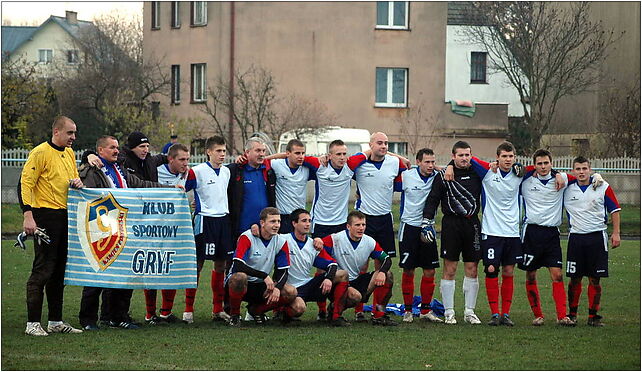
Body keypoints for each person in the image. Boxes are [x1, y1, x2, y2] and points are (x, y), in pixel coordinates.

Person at [78, 135, 172, 330]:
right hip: (100, 231)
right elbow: (89, 201)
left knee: (123, 274)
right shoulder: (91, 171)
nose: (116, 151)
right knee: (96, 276)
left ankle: (118, 316)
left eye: (117, 147)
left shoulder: (119, 170)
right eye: (111, 147)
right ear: (100, 151)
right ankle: (88, 319)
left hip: (122, 230)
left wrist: (169, 190)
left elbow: (141, 185)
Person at [20, 115, 84, 336]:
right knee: (43, 269)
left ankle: (55, 321)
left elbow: (72, 180)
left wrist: (78, 182)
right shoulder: (39, 153)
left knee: (59, 271)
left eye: (74, 133)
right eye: (70, 133)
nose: (73, 137)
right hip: (45, 216)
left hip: (64, 216)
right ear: (56, 131)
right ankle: (32, 324)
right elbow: (25, 184)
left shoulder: (68, 154)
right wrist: (28, 215)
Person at [422, 140, 482, 325]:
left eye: (467, 155)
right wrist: (426, 222)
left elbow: (497, 166)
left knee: (472, 268)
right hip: (451, 225)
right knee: (450, 268)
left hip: (472, 224)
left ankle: (469, 311)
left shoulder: (477, 172)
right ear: (453, 156)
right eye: (461, 155)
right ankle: (449, 312)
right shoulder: (443, 176)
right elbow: (432, 200)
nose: (465, 158)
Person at [519, 149, 578, 326]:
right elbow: (514, 170)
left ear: (551, 163)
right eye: (539, 163)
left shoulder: (562, 179)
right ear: (534, 165)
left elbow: (581, 176)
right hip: (531, 233)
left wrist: (559, 174)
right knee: (530, 275)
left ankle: (562, 316)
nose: (543, 167)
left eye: (546, 163)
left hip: (552, 234)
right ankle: (538, 315)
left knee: (557, 275)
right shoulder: (525, 181)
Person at [564, 156, 621, 327]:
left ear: (590, 169)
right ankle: (572, 315)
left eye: (584, 168)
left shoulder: (603, 186)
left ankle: (593, 316)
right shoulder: (567, 189)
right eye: (578, 169)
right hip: (575, 237)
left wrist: (616, 233)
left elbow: (615, 210)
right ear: (573, 171)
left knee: (595, 278)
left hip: (597, 237)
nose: (581, 172)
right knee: (575, 278)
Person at [181, 136, 233, 323]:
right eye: (218, 151)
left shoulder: (227, 171)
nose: (222, 154)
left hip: (223, 221)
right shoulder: (197, 171)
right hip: (205, 221)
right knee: (198, 265)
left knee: (221, 265)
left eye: (224, 151)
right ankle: (188, 310)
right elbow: (182, 191)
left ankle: (217, 310)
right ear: (208, 152)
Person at [138, 143, 190, 325]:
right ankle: (149, 314)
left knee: (171, 268)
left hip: (173, 231)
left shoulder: (187, 174)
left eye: (187, 159)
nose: (185, 163)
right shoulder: (156, 171)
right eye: (182, 159)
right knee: (151, 268)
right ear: (171, 159)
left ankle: (166, 313)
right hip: (152, 230)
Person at [315, 211, 397, 326]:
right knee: (355, 296)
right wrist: (317, 240)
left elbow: (387, 259)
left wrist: (382, 272)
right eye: (357, 225)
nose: (361, 228)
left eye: (363, 225)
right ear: (348, 226)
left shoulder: (369, 241)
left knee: (388, 275)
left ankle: (380, 314)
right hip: (339, 282)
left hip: (356, 280)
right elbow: (318, 251)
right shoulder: (336, 239)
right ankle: (334, 312)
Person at [226, 207, 302, 326]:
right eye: (272, 221)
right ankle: (234, 314)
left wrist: (277, 288)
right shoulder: (247, 237)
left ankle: (256, 311)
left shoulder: (281, 241)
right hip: (242, 284)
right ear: (262, 223)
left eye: (278, 221)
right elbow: (238, 265)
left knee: (291, 292)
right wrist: (264, 276)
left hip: (263, 286)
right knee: (239, 278)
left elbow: (283, 271)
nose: (276, 225)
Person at [280, 209, 354, 326]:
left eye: (309, 221)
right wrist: (256, 228)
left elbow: (332, 264)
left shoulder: (313, 244)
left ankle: (335, 316)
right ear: (294, 223)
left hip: (307, 285)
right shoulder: (282, 239)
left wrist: (329, 278)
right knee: (299, 309)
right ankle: (282, 312)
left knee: (342, 274)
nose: (308, 224)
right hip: (288, 288)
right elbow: (267, 235)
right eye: (304, 221)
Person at [396, 148, 442, 323]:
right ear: (418, 162)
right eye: (427, 162)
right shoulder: (406, 176)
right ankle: (408, 310)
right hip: (409, 227)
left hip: (428, 228)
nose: (430, 165)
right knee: (408, 269)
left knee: (429, 270)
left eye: (433, 162)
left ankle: (425, 310)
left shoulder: (438, 178)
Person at [346, 132, 407, 258]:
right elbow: (350, 163)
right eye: (379, 143)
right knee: (362, 262)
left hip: (385, 218)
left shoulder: (395, 162)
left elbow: (407, 166)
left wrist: (401, 158)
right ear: (370, 145)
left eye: (386, 143)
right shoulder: (360, 164)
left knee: (385, 262)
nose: (384, 146)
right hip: (364, 218)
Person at [227, 138, 276, 242]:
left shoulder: (269, 171)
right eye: (258, 150)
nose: (262, 154)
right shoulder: (236, 171)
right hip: (242, 229)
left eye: (263, 151)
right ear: (247, 153)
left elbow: (288, 155)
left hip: (265, 229)